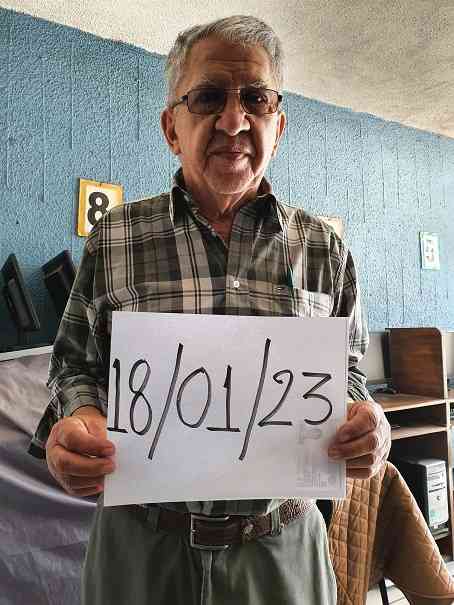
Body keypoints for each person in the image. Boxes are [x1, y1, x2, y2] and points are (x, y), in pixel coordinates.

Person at [31, 15, 391, 605]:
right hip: (139, 549)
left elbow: (347, 376)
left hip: (282, 547)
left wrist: (368, 422)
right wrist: (77, 421)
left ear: (279, 125)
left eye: (255, 99)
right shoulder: (115, 237)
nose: (233, 120)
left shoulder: (324, 249)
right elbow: (74, 365)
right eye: (208, 97)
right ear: (171, 128)